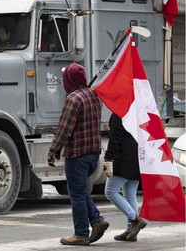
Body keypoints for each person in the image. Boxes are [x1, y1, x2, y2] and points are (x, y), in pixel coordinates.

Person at [47, 63, 109, 246]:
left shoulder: (73, 99)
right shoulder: (93, 95)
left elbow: (64, 130)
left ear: (70, 79)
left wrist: (53, 151)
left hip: (78, 154)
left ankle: (81, 233)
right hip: (93, 154)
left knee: (76, 194)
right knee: (80, 190)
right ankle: (97, 220)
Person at [104, 113, 147, 241]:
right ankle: (130, 231)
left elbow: (115, 137)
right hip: (138, 155)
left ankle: (135, 220)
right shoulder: (137, 110)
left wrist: (108, 156)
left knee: (110, 191)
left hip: (123, 157)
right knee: (130, 193)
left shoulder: (119, 113)